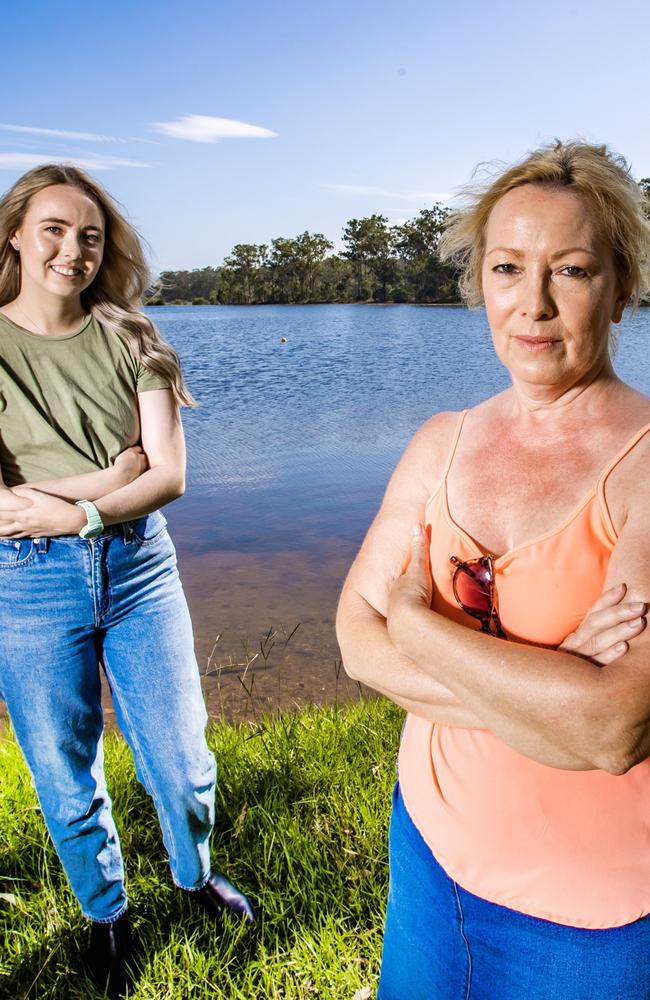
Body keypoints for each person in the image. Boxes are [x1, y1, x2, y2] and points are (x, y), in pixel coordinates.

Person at [336, 140, 650, 999]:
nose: (534, 304)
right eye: (508, 267)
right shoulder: (441, 441)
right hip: (432, 855)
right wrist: (550, 688)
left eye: (573, 270)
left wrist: (416, 626)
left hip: (593, 916)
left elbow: (615, 729)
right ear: (481, 283)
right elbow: (351, 639)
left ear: (620, 287)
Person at [0, 165, 254, 999]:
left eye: (90, 236)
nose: (72, 250)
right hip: (26, 581)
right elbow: (5, 510)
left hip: (140, 566)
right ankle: (106, 914)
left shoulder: (135, 338)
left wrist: (72, 505)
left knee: (181, 758)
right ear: (15, 235)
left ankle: (195, 875)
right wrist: (111, 476)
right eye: (53, 230)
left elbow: (168, 476)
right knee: (64, 768)